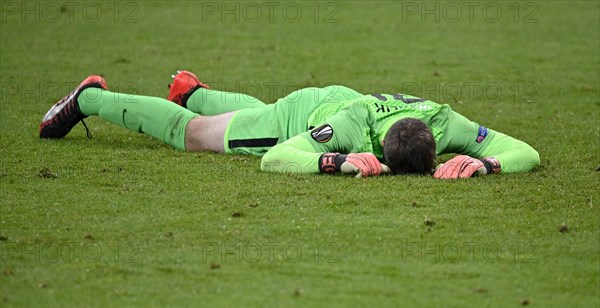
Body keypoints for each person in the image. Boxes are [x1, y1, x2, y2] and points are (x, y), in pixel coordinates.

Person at [39, 70, 540, 179]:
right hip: (304, 116)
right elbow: (279, 157)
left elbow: (527, 152)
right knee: (195, 136)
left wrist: (487, 164)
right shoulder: (348, 130)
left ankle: (193, 92)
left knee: (240, 113)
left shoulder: (446, 121)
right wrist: (335, 160)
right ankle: (92, 99)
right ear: (378, 151)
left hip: (338, 97)